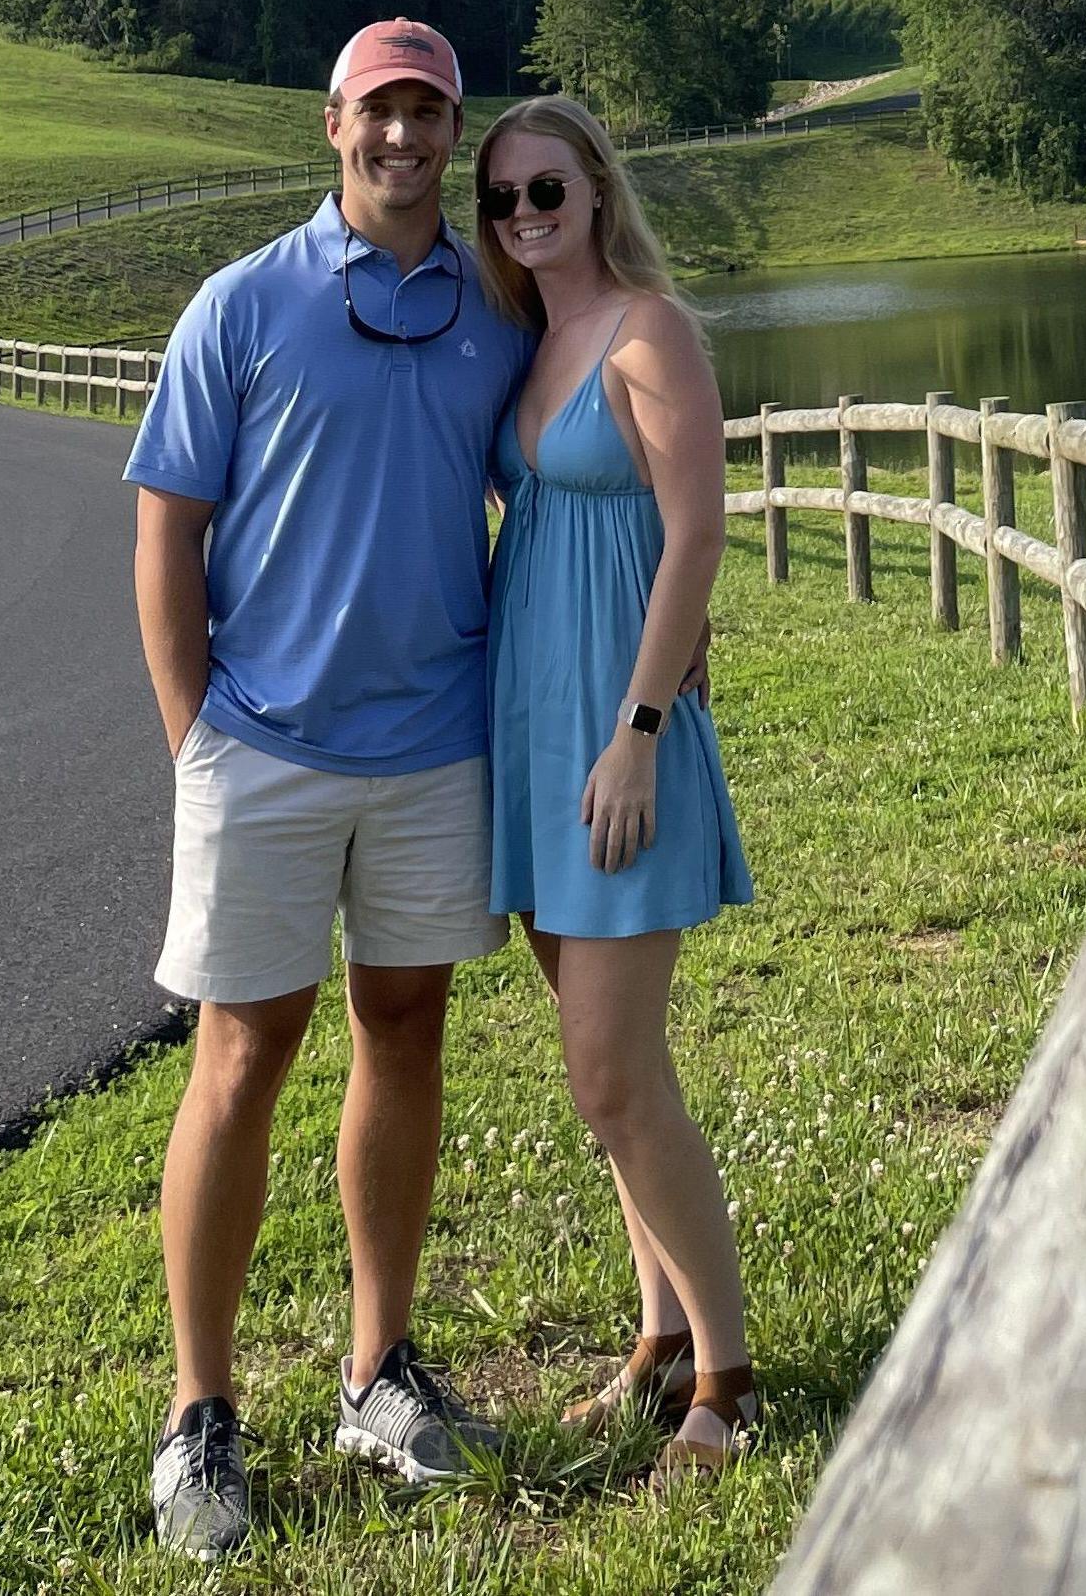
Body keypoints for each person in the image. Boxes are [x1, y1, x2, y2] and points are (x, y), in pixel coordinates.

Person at [125, 20, 536, 1560]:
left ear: (453, 129)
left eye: (430, 114)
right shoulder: (243, 306)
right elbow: (168, 530)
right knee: (243, 1054)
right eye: (381, 112)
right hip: (266, 749)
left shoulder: (497, 312)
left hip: (434, 747)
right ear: (333, 126)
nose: (406, 139)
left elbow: (563, 479)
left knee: (403, 1025)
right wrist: (197, 742)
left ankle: (377, 1371)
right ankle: (201, 1417)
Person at [475, 92, 758, 1486]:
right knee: (606, 1080)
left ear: (595, 189)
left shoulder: (651, 331)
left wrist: (642, 725)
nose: (525, 217)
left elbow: (697, 528)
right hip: (532, 735)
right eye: (504, 200)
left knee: (612, 1072)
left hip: (615, 739)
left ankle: (727, 1369)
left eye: (546, 191)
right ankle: (653, 1338)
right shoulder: (530, 343)